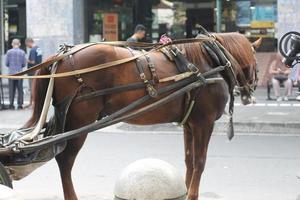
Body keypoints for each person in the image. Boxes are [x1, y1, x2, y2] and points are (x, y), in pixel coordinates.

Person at [5, 39, 26, 109]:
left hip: (11, 74)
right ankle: (20, 105)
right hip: (20, 74)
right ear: (19, 44)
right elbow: (23, 64)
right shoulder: (22, 52)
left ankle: (11, 105)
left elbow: (6, 63)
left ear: (12, 44)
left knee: (11, 90)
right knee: (20, 90)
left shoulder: (8, 52)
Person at [25, 38, 43, 107]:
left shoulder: (32, 50)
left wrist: (26, 60)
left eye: (27, 45)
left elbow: (32, 61)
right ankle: (32, 103)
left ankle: (33, 103)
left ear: (29, 42)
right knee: (36, 87)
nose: (27, 46)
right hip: (38, 70)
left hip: (32, 71)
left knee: (32, 87)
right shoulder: (38, 48)